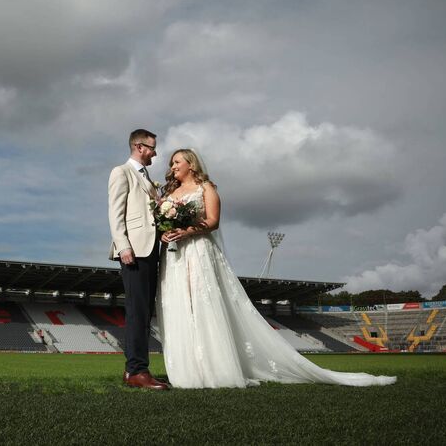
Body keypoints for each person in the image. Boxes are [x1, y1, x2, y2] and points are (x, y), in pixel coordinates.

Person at [156, 148, 397, 388]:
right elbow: (161, 221)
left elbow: (213, 222)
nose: (173, 166)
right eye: (172, 162)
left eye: (177, 161)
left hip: (198, 251)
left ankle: (215, 369)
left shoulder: (206, 188)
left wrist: (186, 231)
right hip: (174, 256)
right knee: (179, 306)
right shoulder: (169, 193)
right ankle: (189, 371)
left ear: (191, 164)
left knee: (203, 302)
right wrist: (166, 233)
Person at [108, 129, 169, 390]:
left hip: (151, 250)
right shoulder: (121, 172)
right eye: (152, 148)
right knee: (137, 312)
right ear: (139, 146)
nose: (155, 153)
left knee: (144, 313)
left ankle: (134, 369)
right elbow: (115, 212)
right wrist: (123, 246)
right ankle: (136, 371)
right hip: (134, 250)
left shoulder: (148, 179)